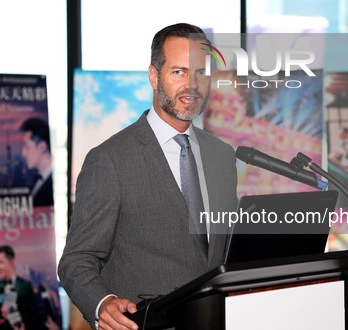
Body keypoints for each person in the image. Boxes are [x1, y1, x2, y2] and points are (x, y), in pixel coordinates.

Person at [58, 23, 239, 330]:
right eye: (179, 72)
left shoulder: (222, 156)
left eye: (200, 73)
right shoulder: (109, 160)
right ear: (154, 77)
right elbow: (76, 260)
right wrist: (103, 304)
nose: (191, 85)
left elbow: (221, 253)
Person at [0, 245, 42, 330]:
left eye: (1, 262)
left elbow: (36, 316)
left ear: (11, 261)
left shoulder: (26, 286)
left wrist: (16, 318)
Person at [20, 117, 53, 207]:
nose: (23, 153)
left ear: (42, 147)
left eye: (26, 146)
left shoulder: (55, 186)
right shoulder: (36, 179)